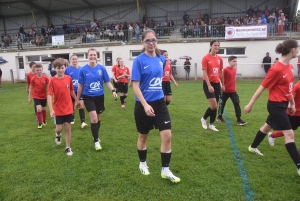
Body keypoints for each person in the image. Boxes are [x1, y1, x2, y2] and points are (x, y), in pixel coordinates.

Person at [244, 39, 300, 176]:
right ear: (292, 49)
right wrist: (250, 104)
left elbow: (289, 89)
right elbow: (262, 87)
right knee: (289, 134)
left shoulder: (290, 67)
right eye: (297, 48)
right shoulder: (276, 68)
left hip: (283, 104)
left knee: (266, 127)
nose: (298, 51)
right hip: (275, 106)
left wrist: (291, 103)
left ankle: (252, 147)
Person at [131, 29, 180, 183]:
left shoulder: (161, 59)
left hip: (159, 104)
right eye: (148, 40)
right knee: (143, 136)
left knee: (167, 136)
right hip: (143, 105)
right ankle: (143, 163)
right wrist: (145, 105)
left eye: (154, 40)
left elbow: (161, 79)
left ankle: (165, 170)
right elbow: (135, 87)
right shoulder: (138, 61)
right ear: (143, 43)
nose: (151, 43)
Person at [76, 48, 117, 151]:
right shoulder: (83, 70)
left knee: (98, 118)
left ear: (97, 56)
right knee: (94, 118)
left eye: (94, 55)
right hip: (88, 96)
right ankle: (96, 141)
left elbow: (107, 81)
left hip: (100, 96)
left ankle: (96, 135)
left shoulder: (101, 69)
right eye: (91, 55)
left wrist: (113, 91)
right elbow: (80, 85)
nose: (93, 57)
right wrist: (77, 99)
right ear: (87, 56)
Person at [47, 58, 77, 156]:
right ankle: (58, 134)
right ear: (55, 69)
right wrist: (51, 110)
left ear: (65, 68)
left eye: (62, 68)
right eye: (58, 68)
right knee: (59, 128)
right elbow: (49, 95)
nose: (60, 70)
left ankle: (68, 147)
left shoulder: (68, 78)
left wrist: (76, 100)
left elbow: (72, 90)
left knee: (68, 127)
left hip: (68, 108)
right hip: (58, 109)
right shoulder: (52, 80)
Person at [200, 40, 224, 132]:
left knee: (215, 105)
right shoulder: (205, 58)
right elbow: (204, 73)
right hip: (208, 84)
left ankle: (211, 124)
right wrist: (209, 85)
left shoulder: (220, 59)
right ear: (211, 46)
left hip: (217, 84)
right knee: (213, 106)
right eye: (215, 45)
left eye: (218, 45)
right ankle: (204, 118)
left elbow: (221, 72)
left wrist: (223, 84)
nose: (217, 47)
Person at [268, 79, 300, 146]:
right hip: (296, 114)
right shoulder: (297, 86)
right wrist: (290, 107)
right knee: (289, 130)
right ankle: (272, 135)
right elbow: (290, 98)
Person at [217, 56, 247, 125]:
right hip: (225, 91)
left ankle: (239, 119)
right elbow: (220, 78)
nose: (235, 62)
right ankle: (219, 117)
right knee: (222, 104)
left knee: (236, 103)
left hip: (233, 91)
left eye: (236, 61)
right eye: (234, 61)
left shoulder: (235, 69)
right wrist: (222, 87)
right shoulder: (225, 70)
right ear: (229, 61)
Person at [64, 54, 88, 129]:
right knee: (71, 105)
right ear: (70, 61)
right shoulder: (67, 69)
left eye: (75, 59)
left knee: (81, 105)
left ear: (78, 60)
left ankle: (83, 122)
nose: (74, 60)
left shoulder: (81, 69)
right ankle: (72, 117)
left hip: (79, 90)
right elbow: (64, 79)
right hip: (70, 91)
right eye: (73, 59)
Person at [28, 64, 49, 128]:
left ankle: (44, 120)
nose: (39, 71)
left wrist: (49, 95)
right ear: (35, 70)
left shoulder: (45, 77)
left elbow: (48, 87)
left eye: (40, 70)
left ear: (42, 70)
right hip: (36, 95)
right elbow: (31, 87)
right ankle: (40, 123)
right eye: (37, 70)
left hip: (44, 96)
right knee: (39, 109)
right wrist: (29, 97)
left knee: (43, 108)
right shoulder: (33, 78)